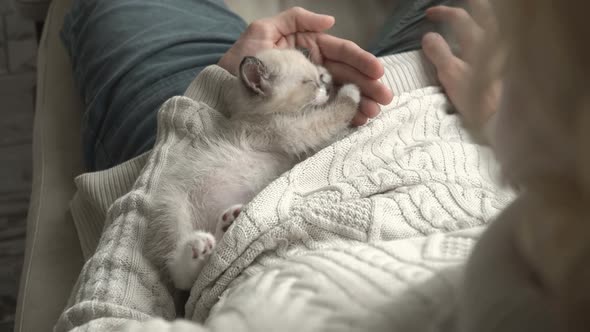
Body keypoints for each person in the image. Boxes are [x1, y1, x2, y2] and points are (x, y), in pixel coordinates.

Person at [56, 0, 505, 331]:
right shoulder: (550, 273)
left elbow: (103, 317)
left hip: (224, 127)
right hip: (455, 106)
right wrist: (513, 129)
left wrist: (206, 104)